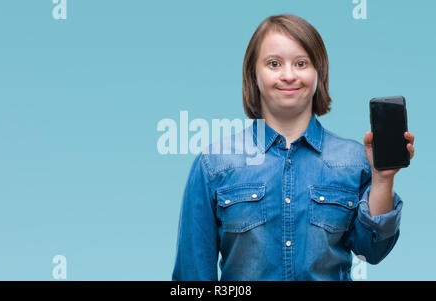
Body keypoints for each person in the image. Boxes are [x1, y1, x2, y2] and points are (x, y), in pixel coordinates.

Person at [172, 14, 415, 281]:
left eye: (301, 63)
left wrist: (381, 180)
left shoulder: (356, 161)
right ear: (254, 74)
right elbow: (192, 277)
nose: (288, 76)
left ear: (318, 73)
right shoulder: (213, 164)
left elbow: (373, 251)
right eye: (274, 64)